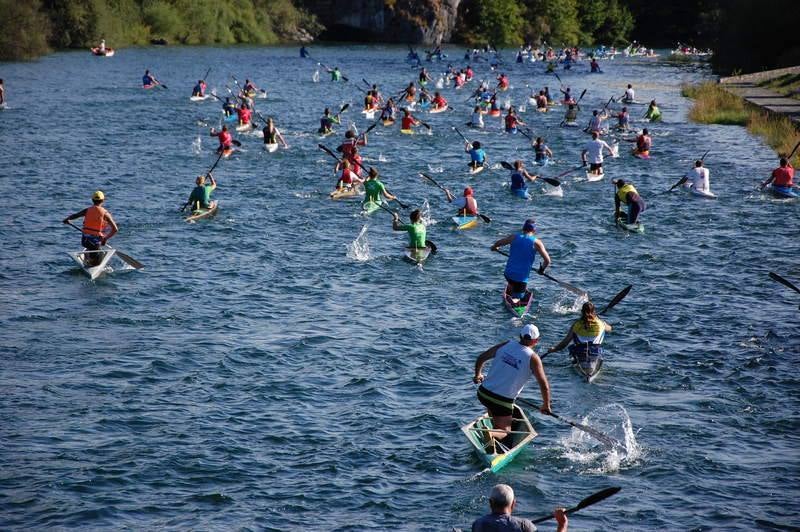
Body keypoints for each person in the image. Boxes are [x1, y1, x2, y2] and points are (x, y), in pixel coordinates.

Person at [473, 324, 552, 444]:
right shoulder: (533, 358)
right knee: (506, 431)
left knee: (493, 408)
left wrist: (478, 375)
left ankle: (493, 433)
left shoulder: (506, 344)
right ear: (536, 340)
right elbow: (544, 385)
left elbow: (481, 357)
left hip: (483, 393)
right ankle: (492, 434)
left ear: (520, 336)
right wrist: (546, 405)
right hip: (501, 401)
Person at [491, 219, 552, 302]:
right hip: (521, 278)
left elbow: (499, 243)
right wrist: (541, 270)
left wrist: (494, 247)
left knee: (512, 282)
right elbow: (547, 260)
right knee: (517, 299)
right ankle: (515, 297)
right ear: (534, 230)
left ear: (523, 228)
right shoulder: (537, 242)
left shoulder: (514, 237)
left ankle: (511, 287)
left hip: (508, 274)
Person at [472, 484, 568, 532]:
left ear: (490, 503)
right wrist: (562, 524)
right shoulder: (524, 525)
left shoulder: (478, 524)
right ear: (513, 504)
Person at [62, 191, 119, 267]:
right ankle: (92, 261)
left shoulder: (87, 210)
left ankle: (88, 257)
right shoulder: (105, 214)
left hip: (84, 241)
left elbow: (76, 215)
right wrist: (105, 239)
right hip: (95, 243)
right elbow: (115, 229)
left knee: (92, 248)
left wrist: (67, 219)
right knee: (98, 257)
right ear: (103, 200)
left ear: (92, 200)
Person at [545, 301, 611, 363]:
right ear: (594, 312)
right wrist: (601, 322)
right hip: (595, 354)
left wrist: (553, 349)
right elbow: (610, 328)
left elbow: (564, 344)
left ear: (582, 312)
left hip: (579, 354)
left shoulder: (576, 325)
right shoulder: (601, 324)